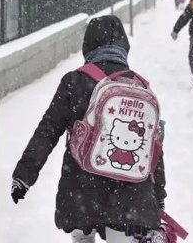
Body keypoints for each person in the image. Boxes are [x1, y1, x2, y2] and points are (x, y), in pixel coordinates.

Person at [10, 15, 167, 242]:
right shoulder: (140, 86)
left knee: (83, 237)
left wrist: (24, 176)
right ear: (124, 46)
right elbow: (154, 149)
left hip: (81, 189)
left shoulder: (74, 81)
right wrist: (158, 195)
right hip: (130, 196)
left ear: (88, 45)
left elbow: (48, 130)